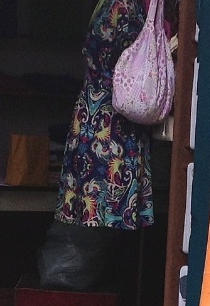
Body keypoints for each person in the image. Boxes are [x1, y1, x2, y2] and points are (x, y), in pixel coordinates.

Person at [55, 0, 160, 231]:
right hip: (112, 125)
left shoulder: (115, 5)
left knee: (94, 220)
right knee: (102, 219)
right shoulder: (123, 8)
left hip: (97, 116)